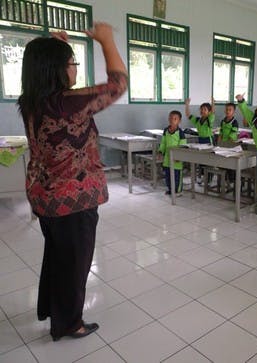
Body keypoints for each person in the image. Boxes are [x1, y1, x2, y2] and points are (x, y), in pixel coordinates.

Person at [17, 23, 127, 341]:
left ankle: (52, 309)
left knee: (57, 256)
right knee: (76, 263)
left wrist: (54, 50)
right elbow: (118, 84)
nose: (75, 69)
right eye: (72, 64)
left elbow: (46, 70)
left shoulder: (33, 100)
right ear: (59, 70)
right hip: (72, 200)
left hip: (44, 195)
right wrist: (106, 40)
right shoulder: (67, 103)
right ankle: (69, 323)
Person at [159, 110, 187, 196]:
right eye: (170, 118)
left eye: (175, 119)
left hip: (176, 159)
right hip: (167, 158)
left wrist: (179, 157)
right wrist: (160, 152)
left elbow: (183, 146)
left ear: (179, 121)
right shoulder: (166, 130)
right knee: (168, 176)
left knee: (177, 176)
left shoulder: (181, 133)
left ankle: (178, 191)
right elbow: (163, 142)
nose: (172, 120)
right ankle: (171, 189)